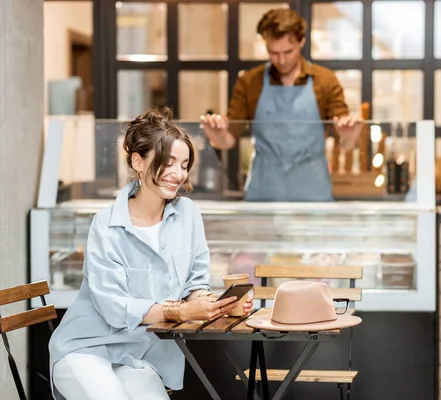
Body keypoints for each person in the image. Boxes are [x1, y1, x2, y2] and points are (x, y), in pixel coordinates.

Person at [48, 107, 253, 400]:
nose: (178, 174)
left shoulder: (188, 215)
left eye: (184, 165)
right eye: (168, 163)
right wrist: (181, 311)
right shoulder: (106, 224)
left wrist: (217, 304)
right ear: (138, 161)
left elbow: (195, 284)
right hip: (85, 348)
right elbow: (113, 307)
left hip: (141, 352)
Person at [201, 8, 362, 202]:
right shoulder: (250, 82)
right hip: (263, 191)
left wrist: (349, 136)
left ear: (301, 41)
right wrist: (217, 137)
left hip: (312, 193)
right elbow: (228, 139)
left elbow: (345, 141)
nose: (282, 60)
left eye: (288, 51)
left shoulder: (326, 80)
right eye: (273, 52)